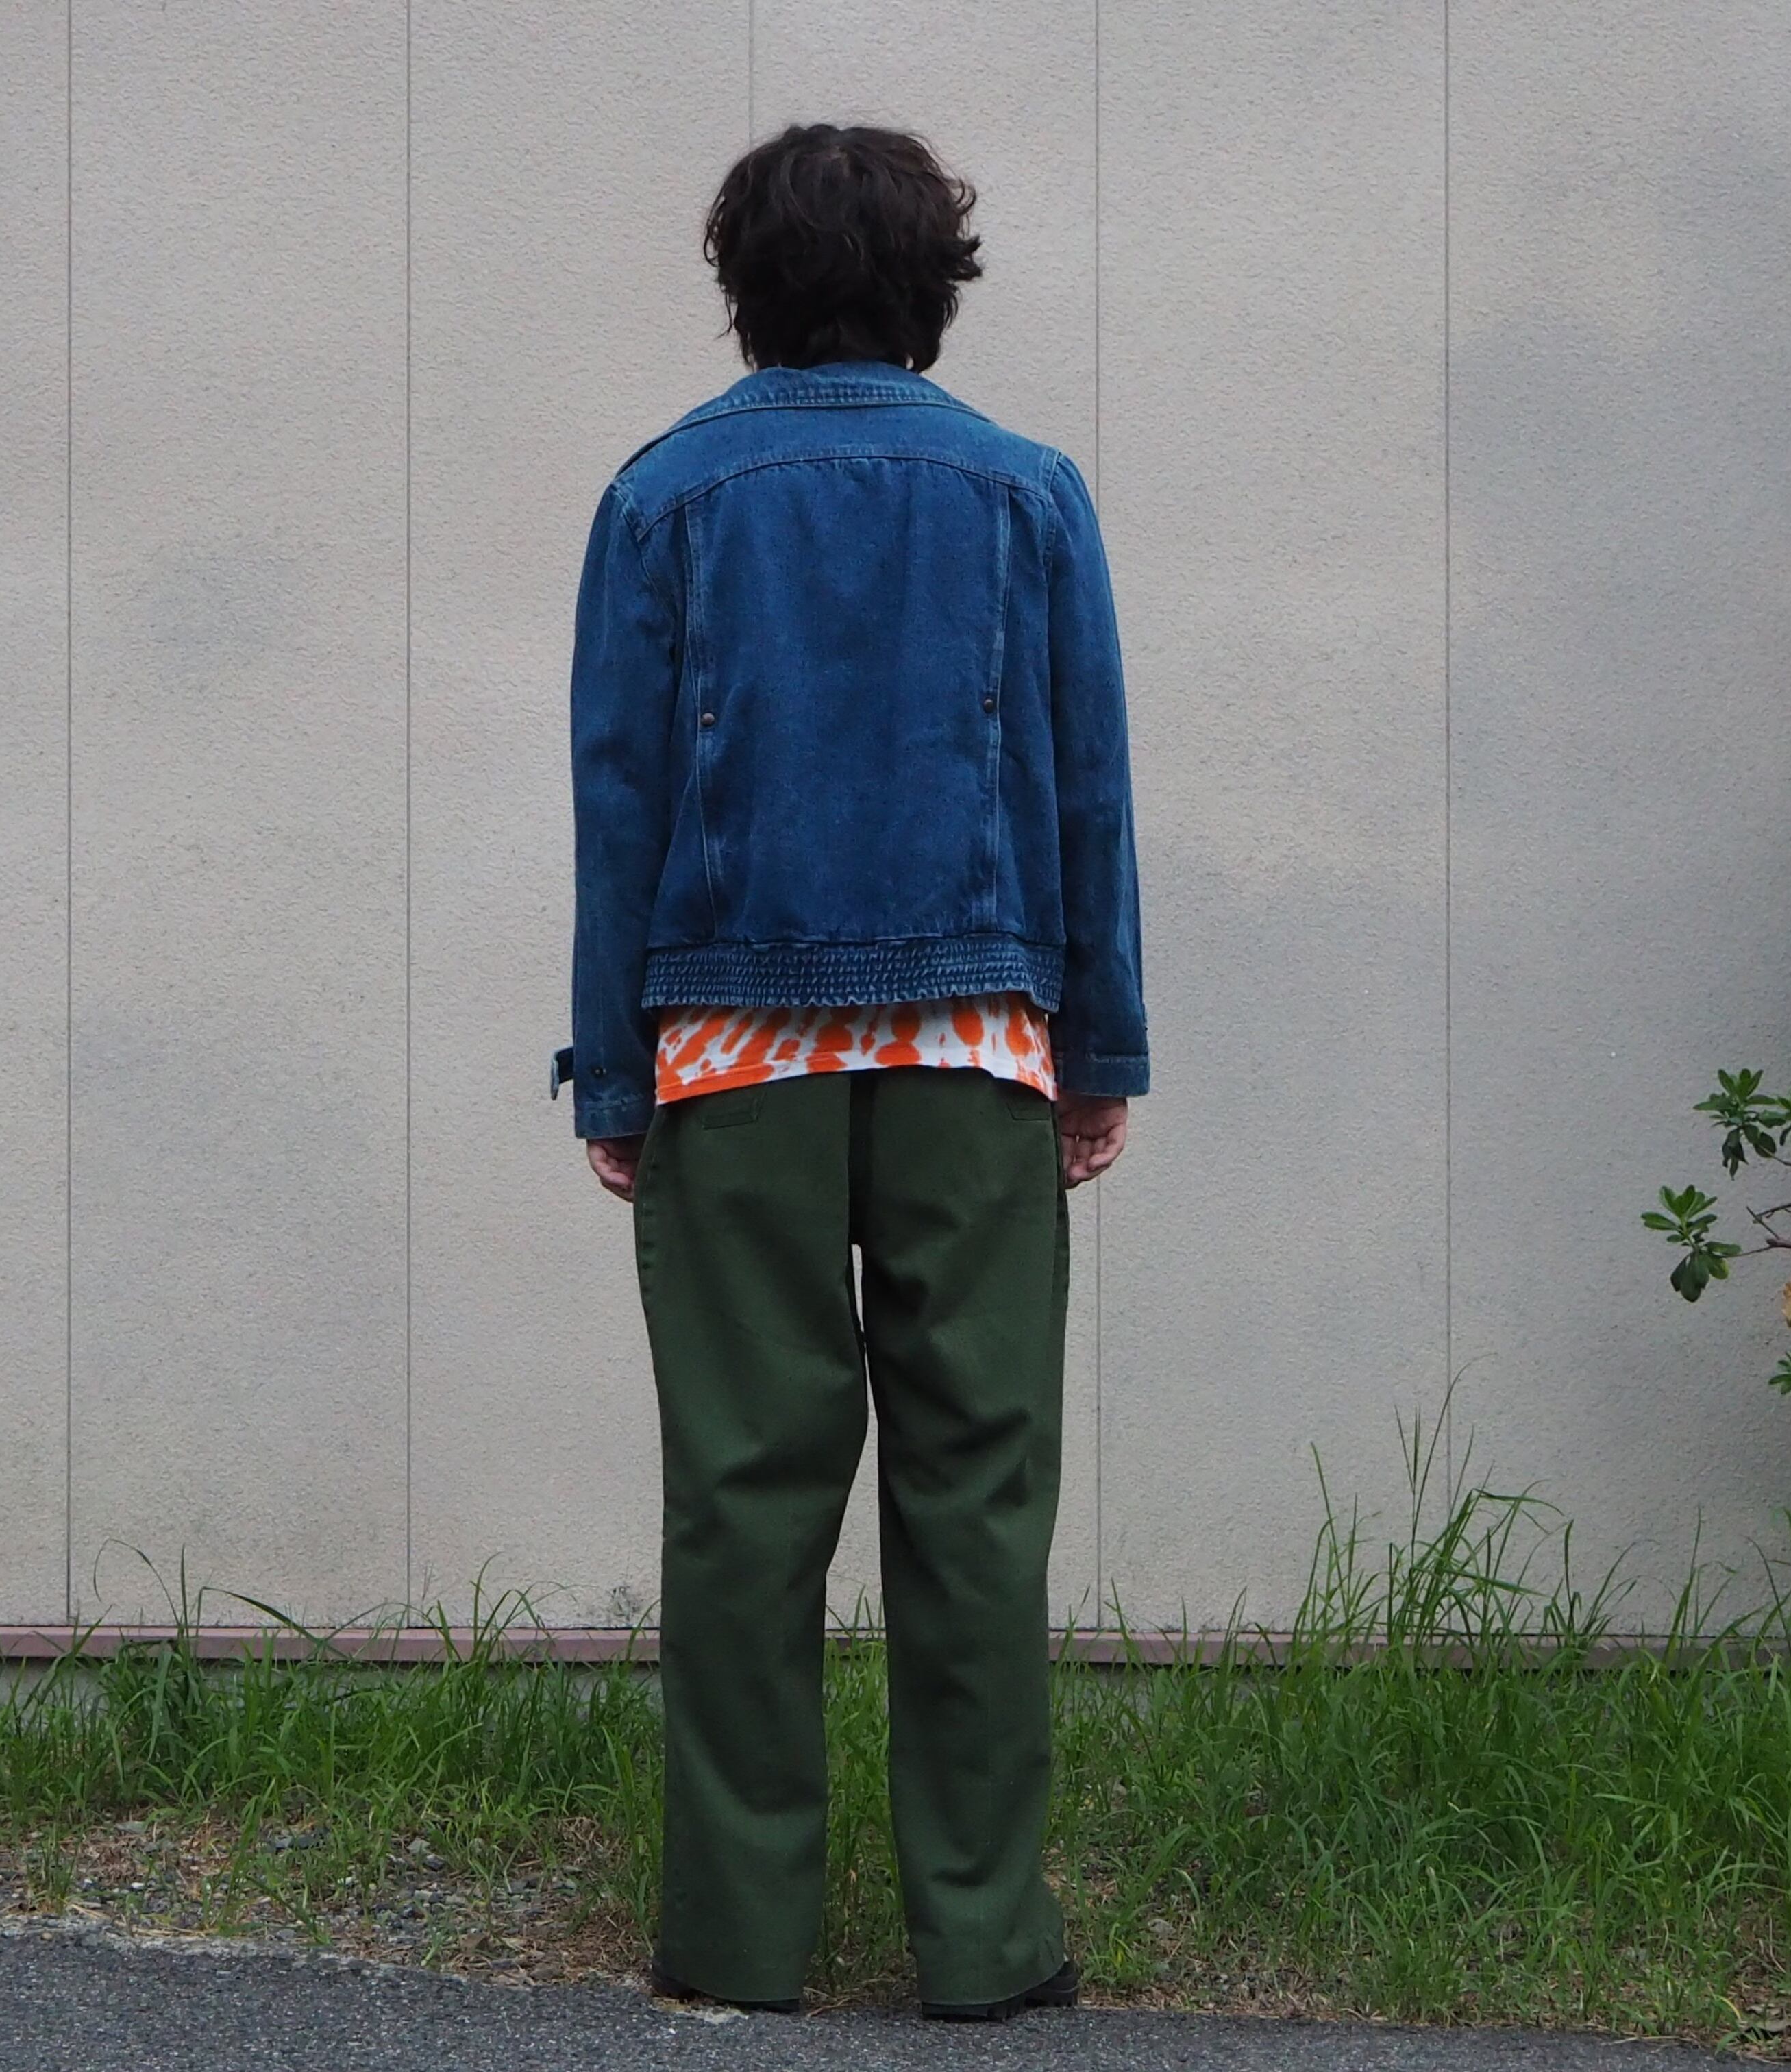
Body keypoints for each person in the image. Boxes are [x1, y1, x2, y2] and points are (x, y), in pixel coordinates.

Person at [554, 123, 1148, 2021]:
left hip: (733, 1053)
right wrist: (1100, 1050)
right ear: (932, 284)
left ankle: (738, 1943)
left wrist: (617, 1075)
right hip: (976, 1046)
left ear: (745, 285)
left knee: (744, 1495)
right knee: (978, 1498)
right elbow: (1087, 788)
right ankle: (983, 1942)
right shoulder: (1026, 492)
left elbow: (618, 804)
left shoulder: (663, 495)